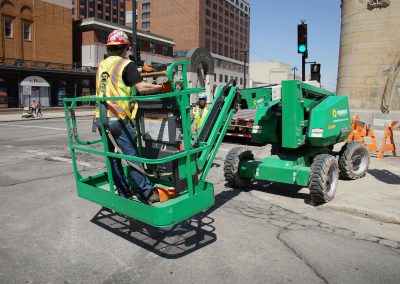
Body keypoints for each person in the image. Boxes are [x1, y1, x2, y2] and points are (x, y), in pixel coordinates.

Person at [95, 30, 171, 205]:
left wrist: (139, 69)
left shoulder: (102, 65)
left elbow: (117, 76)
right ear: (125, 48)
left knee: (112, 158)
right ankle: (147, 193)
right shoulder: (125, 64)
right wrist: (161, 88)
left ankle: (123, 191)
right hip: (118, 118)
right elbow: (142, 88)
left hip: (101, 117)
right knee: (132, 157)